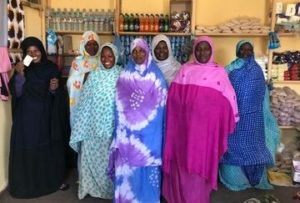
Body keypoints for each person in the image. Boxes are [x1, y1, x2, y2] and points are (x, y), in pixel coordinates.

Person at [162, 36, 239, 203]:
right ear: (194, 51)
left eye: (206, 49)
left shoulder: (219, 73)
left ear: (211, 51)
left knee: (199, 168)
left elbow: (229, 101)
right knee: (182, 166)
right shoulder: (184, 71)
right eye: (198, 48)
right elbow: (173, 99)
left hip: (205, 135)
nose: (202, 52)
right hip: (183, 132)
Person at [108, 38, 167, 203]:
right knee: (127, 169)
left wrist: (146, 127)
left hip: (149, 136)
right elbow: (119, 104)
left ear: (147, 52)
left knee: (147, 170)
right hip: (127, 134)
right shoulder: (125, 75)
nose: (138, 54)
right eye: (134, 51)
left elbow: (161, 108)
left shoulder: (157, 77)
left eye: (141, 50)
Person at [8, 36, 68, 198]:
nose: (33, 54)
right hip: (26, 118)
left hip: (46, 116)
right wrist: (19, 75)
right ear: (25, 54)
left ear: (42, 51)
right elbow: (17, 93)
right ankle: (27, 185)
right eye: (29, 52)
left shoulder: (51, 67)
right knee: (30, 148)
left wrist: (54, 89)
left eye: (36, 50)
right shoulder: (23, 67)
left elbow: (57, 93)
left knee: (47, 147)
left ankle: (50, 181)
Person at [219, 40, 280, 191]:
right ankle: (237, 180)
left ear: (252, 52)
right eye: (243, 50)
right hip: (235, 122)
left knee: (255, 150)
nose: (246, 53)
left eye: (249, 50)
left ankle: (256, 178)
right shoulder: (230, 70)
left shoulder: (257, 71)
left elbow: (262, 94)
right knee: (234, 151)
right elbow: (221, 89)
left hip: (254, 122)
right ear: (237, 52)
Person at [69, 43, 121, 199]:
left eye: (110, 56)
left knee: (110, 160)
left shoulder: (121, 74)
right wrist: (82, 125)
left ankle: (111, 190)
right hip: (93, 127)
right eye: (103, 56)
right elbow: (84, 100)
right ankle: (91, 187)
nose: (106, 59)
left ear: (116, 57)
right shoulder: (94, 75)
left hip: (113, 128)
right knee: (92, 158)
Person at [67, 31, 100, 126]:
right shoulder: (77, 62)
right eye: (88, 44)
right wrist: (86, 75)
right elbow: (70, 82)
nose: (92, 47)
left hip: (99, 103)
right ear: (83, 45)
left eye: (95, 44)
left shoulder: (103, 60)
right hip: (82, 102)